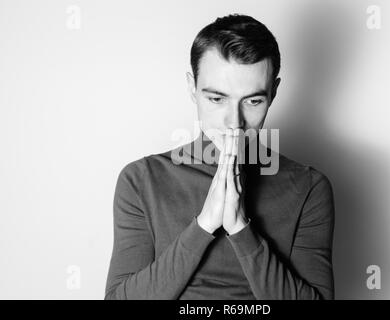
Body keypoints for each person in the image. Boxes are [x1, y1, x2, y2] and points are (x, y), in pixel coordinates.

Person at [105, 14, 335, 300]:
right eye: (217, 99)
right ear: (192, 88)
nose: (234, 122)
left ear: (273, 92)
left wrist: (240, 228)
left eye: (253, 101)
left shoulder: (309, 188)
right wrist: (203, 225)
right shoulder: (141, 180)